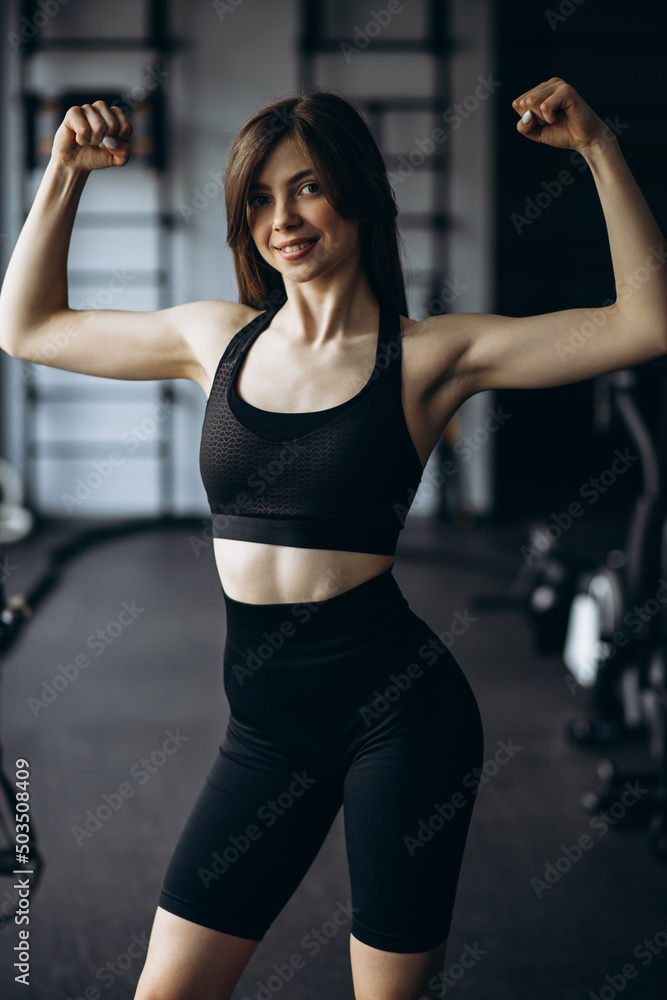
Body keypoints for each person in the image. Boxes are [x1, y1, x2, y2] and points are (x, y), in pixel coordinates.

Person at [0, 77, 665, 1000]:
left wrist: (598, 147)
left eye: (307, 186)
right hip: (264, 730)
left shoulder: (429, 355)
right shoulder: (214, 340)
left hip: (400, 719)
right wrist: (64, 171)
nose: (284, 217)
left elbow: (645, 321)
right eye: (262, 197)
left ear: (356, 193)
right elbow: (26, 328)